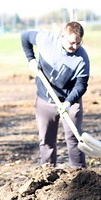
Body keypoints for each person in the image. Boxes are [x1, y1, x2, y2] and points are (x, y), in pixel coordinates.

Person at [21, 21, 89, 168]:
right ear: (62, 36)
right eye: (72, 43)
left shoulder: (82, 58)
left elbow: (81, 85)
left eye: (78, 43)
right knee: (46, 139)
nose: (75, 47)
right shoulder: (46, 39)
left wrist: (69, 102)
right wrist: (30, 59)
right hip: (45, 98)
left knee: (74, 138)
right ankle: (47, 172)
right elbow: (25, 36)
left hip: (70, 101)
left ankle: (79, 173)